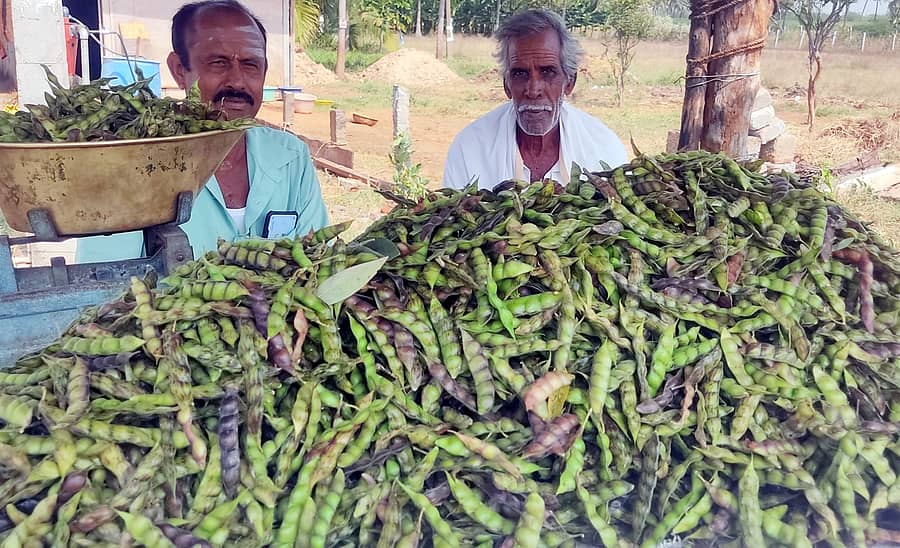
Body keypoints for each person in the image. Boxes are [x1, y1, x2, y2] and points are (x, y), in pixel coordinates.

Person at [76, 0, 328, 263]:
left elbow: (319, 260)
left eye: (251, 64)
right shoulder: (130, 165)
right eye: (218, 63)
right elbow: (105, 287)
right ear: (179, 70)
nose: (237, 81)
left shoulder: (290, 157)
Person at [442, 9, 628, 190]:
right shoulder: (470, 148)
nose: (533, 90)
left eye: (547, 72)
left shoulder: (604, 149)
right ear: (507, 85)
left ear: (569, 82)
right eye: (520, 74)